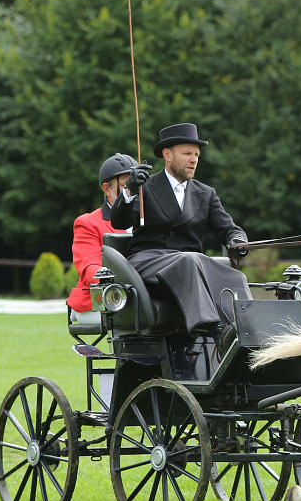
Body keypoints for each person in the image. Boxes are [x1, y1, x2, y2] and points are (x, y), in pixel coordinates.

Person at [110, 122, 249, 350]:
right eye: (187, 154)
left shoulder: (205, 193)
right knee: (191, 259)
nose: (193, 159)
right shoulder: (146, 187)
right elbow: (119, 221)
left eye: (196, 154)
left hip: (189, 267)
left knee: (235, 277)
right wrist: (128, 192)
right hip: (148, 262)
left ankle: (245, 329)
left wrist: (237, 239)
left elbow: (228, 228)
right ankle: (213, 328)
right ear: (167, 155)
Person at [66, 153, 134, 325]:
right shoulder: (87, 223)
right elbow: (90, 269)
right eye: (127, 186)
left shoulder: (148, 220)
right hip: (100, 300)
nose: (133, 193)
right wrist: (130, 284)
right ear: (107, 188)